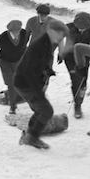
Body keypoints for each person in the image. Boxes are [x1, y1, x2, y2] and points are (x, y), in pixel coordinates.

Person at [13, 20, 70, 149]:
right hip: (25, 82)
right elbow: (28, 71)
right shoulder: (39, 45)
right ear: (52, 31)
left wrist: (48, 71)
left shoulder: (47, 43)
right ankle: (31, 137)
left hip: (29, 82)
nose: (61, 38)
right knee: (46, 110)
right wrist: (38, 92)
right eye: (60, 35)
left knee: (41, 110)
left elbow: (40, 63)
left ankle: (29, 135)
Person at [59, 12, 90, 119]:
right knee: (75, 79)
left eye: (84, 28)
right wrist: (60, 52)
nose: (81, 30)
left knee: (83, 83)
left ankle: (79, 101)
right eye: (80, 28)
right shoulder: (68, 27)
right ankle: (77, 106)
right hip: (70, 58)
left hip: (84, 58)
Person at [0, 20, 29, 114]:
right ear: (10, 31)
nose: (17, 33)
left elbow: (25, 46)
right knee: (10, 83)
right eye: (14, 31)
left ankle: (12, 95)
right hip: (4, 61)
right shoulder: (3, 37)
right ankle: (13, 106)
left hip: (17, 61)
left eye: (18, 30)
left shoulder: (24, 34)